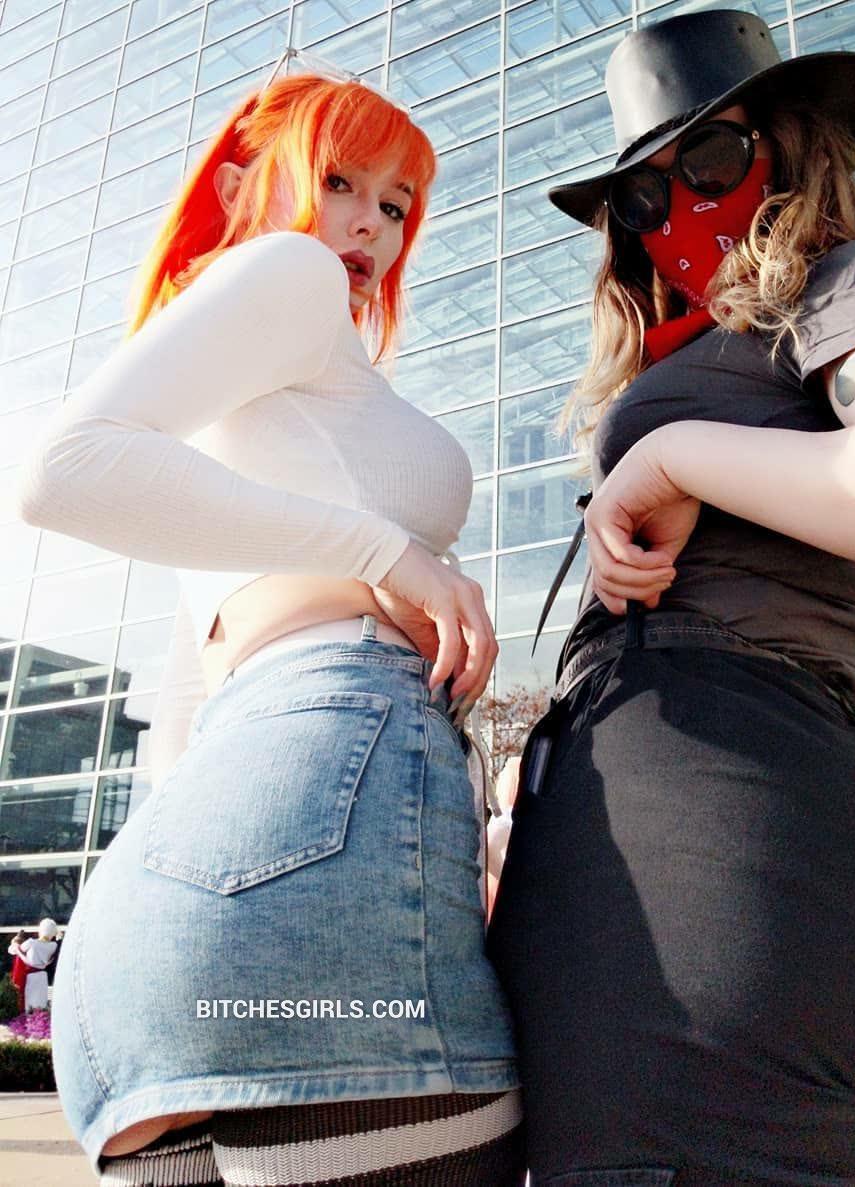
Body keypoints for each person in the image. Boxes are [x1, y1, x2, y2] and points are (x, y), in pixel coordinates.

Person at [486, 10, 855, 1186]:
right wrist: (794, 700)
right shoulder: (748, 343)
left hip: (719, 868)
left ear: (797, 147)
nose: (678, 213)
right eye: (641, 199)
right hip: (831, 836)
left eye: (710, 160)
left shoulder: (851, 277)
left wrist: (677, 459)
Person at [16, 47, 523, 1187]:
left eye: (397, 204)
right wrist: (385, 550)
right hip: (317, 837)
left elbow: (187, 701)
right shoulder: (288, 273)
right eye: (339, 180)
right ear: (244, 184)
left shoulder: (249, 410)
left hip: (161, 912)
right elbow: (58, 472)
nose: (369, 223)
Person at [18, 919, 59, 1013]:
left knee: (29, 1003)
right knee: (41, 1003)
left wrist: (15, 945)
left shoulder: (31, 942)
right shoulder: (53, 945)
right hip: (42, 977)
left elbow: (17, 951)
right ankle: (39, 1020)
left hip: (31, 977)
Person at [6, 929, 31, 1014]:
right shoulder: (21, 953)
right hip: (20, 978)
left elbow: (12, 948)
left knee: (21, 997)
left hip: (20, 978)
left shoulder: (20, 952)